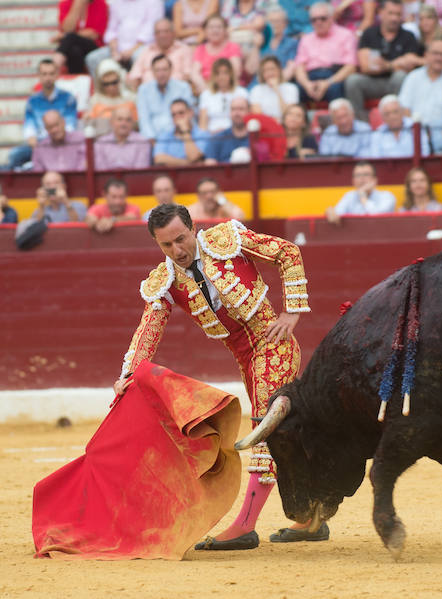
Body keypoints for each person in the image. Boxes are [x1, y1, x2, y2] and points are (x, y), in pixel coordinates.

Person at [116, 203, 318, 551]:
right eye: (166, 245)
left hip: (274, 343)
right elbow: (148, 328)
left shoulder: (229, 239)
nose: (177, 251)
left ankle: (245, 525)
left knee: (264, 427)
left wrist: (291, 312)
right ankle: (314, 515)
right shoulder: (165, 281)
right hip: (245, 358)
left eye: (181, 239)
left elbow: (287, 252)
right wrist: (128, 375)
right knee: (288, 431)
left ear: (193, 229)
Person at [345, 0, 422, 120]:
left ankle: (399, 121)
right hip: (373, 82)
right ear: (380, 12)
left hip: (395, 82)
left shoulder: (408, 36)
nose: (394, 18)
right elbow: (366, 67)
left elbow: (410, 65)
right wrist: (397, 63)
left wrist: (386, 65)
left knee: (401, 76)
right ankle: (361, 123)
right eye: (391, 13)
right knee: (353, 81)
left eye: (398, 14)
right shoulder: (369, 34)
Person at [7, 60, 78, 171]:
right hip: (39, 144)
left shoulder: (68, 98)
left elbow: (70, 126)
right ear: (39, 76)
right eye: (44, 74)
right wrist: (33, 140)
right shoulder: (32, 101)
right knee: (14, 155)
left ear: (57, 75)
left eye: (51, 73)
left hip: (62, 142)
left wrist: (53, 138)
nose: (48, 77)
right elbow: (29, 127)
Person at [293, 2, 358, 103]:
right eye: (314, 20)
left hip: (335, 76)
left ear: (331, 18)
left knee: (335, 89)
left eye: (323, 18)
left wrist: (328, 83)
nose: (318, 22)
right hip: (311, 77)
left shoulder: (346, 35)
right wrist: (307, 85)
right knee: (295, 90)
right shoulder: (306, 39)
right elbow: (299, 67)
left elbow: (351, 66)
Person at [85, 0, 162, 75]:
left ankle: (137, 87)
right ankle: (100, 87)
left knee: (138, 57)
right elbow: (111, 30)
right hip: (117, 47)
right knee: (92, 59)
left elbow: (149, 31)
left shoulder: (153, 2)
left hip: (142, 47)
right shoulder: (116, 3)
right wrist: (114, 50)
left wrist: (131, 51)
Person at [398, 39, 442, 123]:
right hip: (416, 131)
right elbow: (404, 107)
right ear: (426, 55)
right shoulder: (413, 77)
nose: (439, 58)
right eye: (435, 53)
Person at [136, 55, 194, 140]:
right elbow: (144, 119)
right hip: (152, 138)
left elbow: (187, 115)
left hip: (178, 136)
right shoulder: (143, 90)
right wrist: (151, 139)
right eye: (157, 70)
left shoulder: (183, 87)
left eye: (164, 69)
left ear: (171, 70)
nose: (161, 74)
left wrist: (179, 135)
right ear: (152, 71)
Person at [127, 18, 193, 88]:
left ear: (173, 33)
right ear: (154, 35)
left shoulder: (184, 50)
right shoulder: (146, 51)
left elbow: (189, 76)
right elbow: (135, 76)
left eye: (166, 31)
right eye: (158, 32)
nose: (162, 35)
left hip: (177, 94)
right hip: (149, 94)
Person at [325, 161, 397, 223]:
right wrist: (331, 211)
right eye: (358, 175)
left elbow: (377, 218)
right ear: (353, 181)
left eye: (366, 174)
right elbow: (337, 214)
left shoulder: (387, 196)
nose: (362, 178)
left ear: (375, 180)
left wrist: (362, 195)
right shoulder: (349, 196)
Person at [83, 58, 138, 136]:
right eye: (106, 84)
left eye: (114, 82)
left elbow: (136, 123)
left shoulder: (131, 98)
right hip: (102, 138)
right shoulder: (95, 100)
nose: (111, 87)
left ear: (120, 80)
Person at [52, 0, 109, 74]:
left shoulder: (100, 4)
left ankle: (55, 64)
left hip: (94, 47)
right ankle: (77, 80)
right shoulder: (65, 4)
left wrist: (65, 36)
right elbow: (67, 28)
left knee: (70, 38)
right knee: (74, 50)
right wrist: (77, 5)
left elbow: (93, 34)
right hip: (74, 50)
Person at [190, 15, 243, 93]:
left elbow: (236, 71)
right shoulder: (200, 49)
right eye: (211, 27)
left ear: (225, 30)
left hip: (229, 88)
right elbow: (195, 73)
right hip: (205, 88)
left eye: (219, 27)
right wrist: (207, 90)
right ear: (205, 31)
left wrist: (218, 88)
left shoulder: (233, 46)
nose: (215, 30)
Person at [153, 99, 210, 165]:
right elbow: (159, 159)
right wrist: (189, 164)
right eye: (173, 115)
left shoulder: (202, 134)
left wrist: (185, 131)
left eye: (181, 113)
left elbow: (193, 157)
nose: (177, 117)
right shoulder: (164, 136)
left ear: (191, 113)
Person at [198, 58, 249, 133]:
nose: (221, 77)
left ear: (231, 74)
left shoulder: (242, 92)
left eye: (225, 73)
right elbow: (203, 124)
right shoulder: (206, 95)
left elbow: (247, 119)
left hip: (236, 134)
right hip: (212, 136)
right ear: (213, 76)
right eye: (217, 73)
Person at [94, 105, 152, 170]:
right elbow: (100, 170)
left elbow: (140, 171)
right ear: (111, 122)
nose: (123, 123)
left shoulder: (142, 142)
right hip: (106, 180)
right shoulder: (100, 143)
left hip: (134, 179)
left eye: (128, 120)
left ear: (133, 123)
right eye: (120, 119)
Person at [205, 97, 258, 163]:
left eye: (241, 109)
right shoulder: (217, 138)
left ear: (249, 112)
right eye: (233, 109)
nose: (236, 113)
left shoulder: (259, 138)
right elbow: (210, 167)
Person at [249, 56, 299, 121]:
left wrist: (277, 90)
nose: (270, 73)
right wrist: (275, 121)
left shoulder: (291, 88)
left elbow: (289, 114)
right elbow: (257, 114)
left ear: (279, 70)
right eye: (266, 70)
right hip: (265, 126)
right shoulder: (256, 90)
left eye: (272, 69)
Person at [258, 7, 299, 79]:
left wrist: (276, 82)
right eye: (271, 21)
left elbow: (291, 67)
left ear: (285, 23)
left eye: (278, 21)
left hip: (281, 83)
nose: (274, 24)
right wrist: (255, 47)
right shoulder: (260, 42)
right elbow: (251, 70)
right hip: (260, 83)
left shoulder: (292, 43)